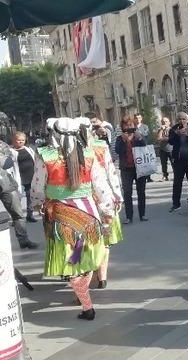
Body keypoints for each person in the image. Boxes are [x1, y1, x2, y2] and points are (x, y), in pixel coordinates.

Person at [31, 118, 115, 320]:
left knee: (72, 261)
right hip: (89, 215)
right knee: (83, 259)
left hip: (60, 216)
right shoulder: (88, 154)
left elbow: (37, 185)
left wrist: (36, 202)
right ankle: (84, 299)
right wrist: (108, 211)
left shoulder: (46, 156)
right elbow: (101, 185)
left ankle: (86, 305)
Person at [82, 117, 123, 290]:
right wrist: (116, 195)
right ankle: (100, 276)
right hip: (98, 197)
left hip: (85, 199)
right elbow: (110, 172)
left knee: (88, 240)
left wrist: (116, 195)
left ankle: (92, 275)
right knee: (100, 236)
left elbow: (110, 171)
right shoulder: (98, 147)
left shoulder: (97, 146)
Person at [0, 142, 38, 249]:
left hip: (6, 184)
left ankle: (24, 240)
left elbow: (8, 162)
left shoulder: (2, 145)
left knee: (18, 214)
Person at [114, 116, 148, 224]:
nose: (128, 127)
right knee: (127, 193)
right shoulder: (120, 138)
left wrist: (140, 138)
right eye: (126, 125)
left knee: (141, 192)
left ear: (133, 125)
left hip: (139, 168)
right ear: (122, 127)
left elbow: (145, 147)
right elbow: (118, 151)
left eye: (130, 125)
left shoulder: (138, 136)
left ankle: (142, 214)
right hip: (126, 169)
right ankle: (129, 216)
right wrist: (124, 141)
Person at [168, 112, 188, 211]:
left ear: (187, 119)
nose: (182, 121)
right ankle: (176, 203)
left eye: (184, 119)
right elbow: (170, 142)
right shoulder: (173, 129)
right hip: (178, 159)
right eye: (180, 119)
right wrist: (177, 134)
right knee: (177, 182)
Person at [11, 131, 37, 222]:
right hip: (18, 180)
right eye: (19, 140)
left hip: (31, 178)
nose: (21, 142)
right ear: (14, 141)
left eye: (23, 140)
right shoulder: (11, 152)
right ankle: (17, 219)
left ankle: (30, 215)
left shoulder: (29, 149)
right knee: (17, 199)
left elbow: (35, 160)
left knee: (30, 198)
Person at [156, 117, 172, 181]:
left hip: (171, 149)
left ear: (169, 122)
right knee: (163, 164)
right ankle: (165, 176)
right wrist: (161, 130)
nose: (164, 123)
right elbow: (158, 138)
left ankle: (176, 175)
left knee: (174, 163)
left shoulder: (172, 130)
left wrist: (165, 138)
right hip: (162, 149)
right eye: (163, 122)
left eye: (166, 121)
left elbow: (171, 139)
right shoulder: (160, 130)